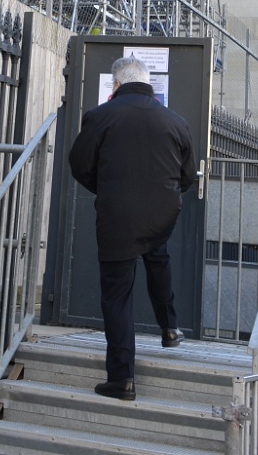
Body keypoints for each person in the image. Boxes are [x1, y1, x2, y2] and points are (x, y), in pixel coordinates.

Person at [68, 56, 196, 401]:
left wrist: (107, 188)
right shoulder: (176, 121)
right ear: (147, 82)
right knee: (158, 256)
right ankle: (169, 328)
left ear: (116, 85)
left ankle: (122, 378)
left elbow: (79, 164)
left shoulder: (100, 116)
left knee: (117, 294)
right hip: (162, 214)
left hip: (118, 216)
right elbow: (187, 176)